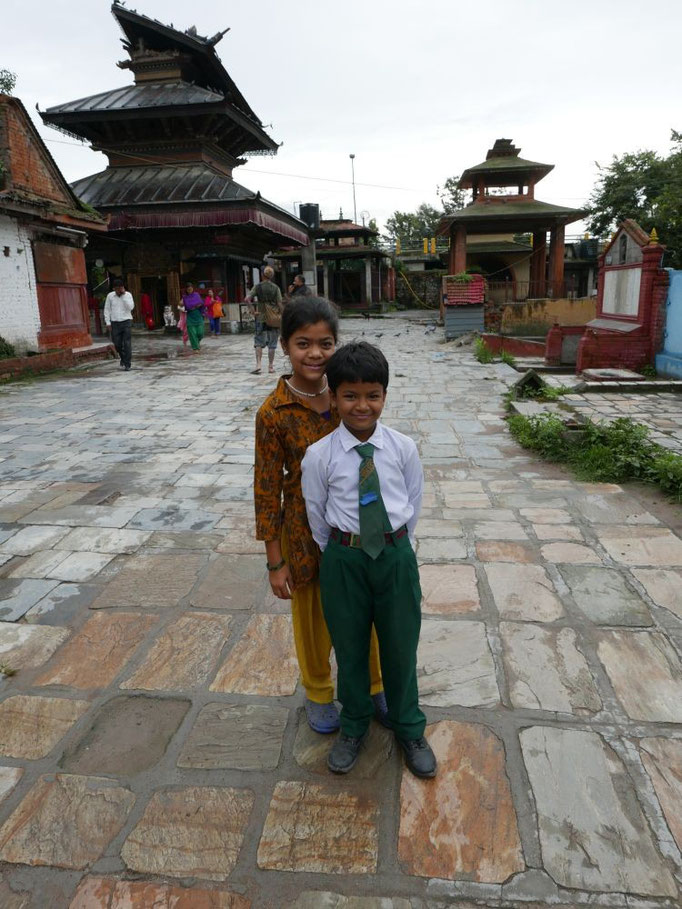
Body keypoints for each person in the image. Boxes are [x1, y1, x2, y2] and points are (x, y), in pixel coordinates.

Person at [301, 341, 437, 779]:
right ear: (334, 396)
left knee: (400, 645)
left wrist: (397, 545)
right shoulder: (320, 455)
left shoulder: (402, 448)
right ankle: (354, 725)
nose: (362, 406)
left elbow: (412, 502)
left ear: (384, 396)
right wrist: (340, 552)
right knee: (351, 646)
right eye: (351, 396)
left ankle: (409, 727)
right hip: (344, 560)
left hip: (395, 557)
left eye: (372, 395)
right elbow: (315, 512)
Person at [254, 298, 386, 735]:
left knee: (365, 608)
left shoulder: (351, 392)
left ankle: (374, 685)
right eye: (303, 343)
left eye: (325, 343)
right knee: (313, 617)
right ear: (285, 346)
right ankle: (317, 691)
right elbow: (266, 489)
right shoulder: (273, 413)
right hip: (303, 528)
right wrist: (276, 560)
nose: (315, 354)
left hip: (358, 519)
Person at [245, 265, 283, 374]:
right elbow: (279, 303)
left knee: (258, 341)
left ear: (263, 275)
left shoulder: (258, 287)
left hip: (261, 316)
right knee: (272, 343)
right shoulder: (276, 288)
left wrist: (253, 311)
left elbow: (247, 299)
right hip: (273, 317)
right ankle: (270, 367)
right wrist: (282, 315)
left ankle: (258, 364)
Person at [103, 278, 134, 371]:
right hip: (115, 323)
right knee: (117, 344)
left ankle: (127, 363)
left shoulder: (128, 295)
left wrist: (123, 296)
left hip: (126, 321)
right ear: (113, 289)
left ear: (122, 287)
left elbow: (131, 308)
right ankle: (123, 358)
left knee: (127, 343)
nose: (118, 291)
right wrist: (108, 322)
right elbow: (107, 309)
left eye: (119, 288)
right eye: (116, 289)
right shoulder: (110, 296)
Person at [181, 283, 206, 353]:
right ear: (186, 289)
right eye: (188, 288)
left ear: (192, 288)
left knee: (200, 333)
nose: (189, 289)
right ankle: (195, 348)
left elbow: (201, 303)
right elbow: (187, 306)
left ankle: (196, 343)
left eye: (190, 288)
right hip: (190, 317)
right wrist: (194, 306)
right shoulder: (185, 297)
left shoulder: (196, 295)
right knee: (192, 333)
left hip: (198, 316)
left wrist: (198, 306)